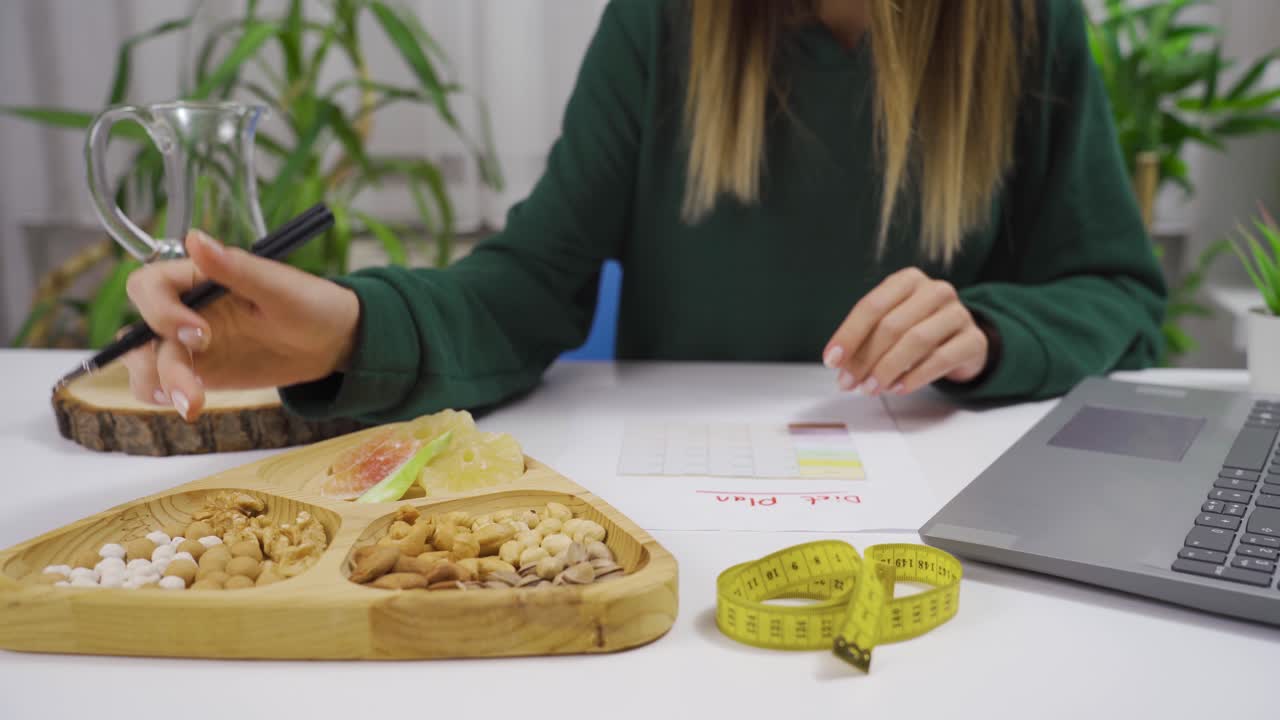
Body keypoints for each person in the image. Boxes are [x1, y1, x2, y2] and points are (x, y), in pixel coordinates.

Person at [122, 0, 1165, 424]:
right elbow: (530, 280)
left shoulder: (1025, 24)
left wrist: (985, 334)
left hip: (945, 502)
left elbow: (1113, 291)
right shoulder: (665, 21)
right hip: (681, 495)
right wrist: (352, 330)